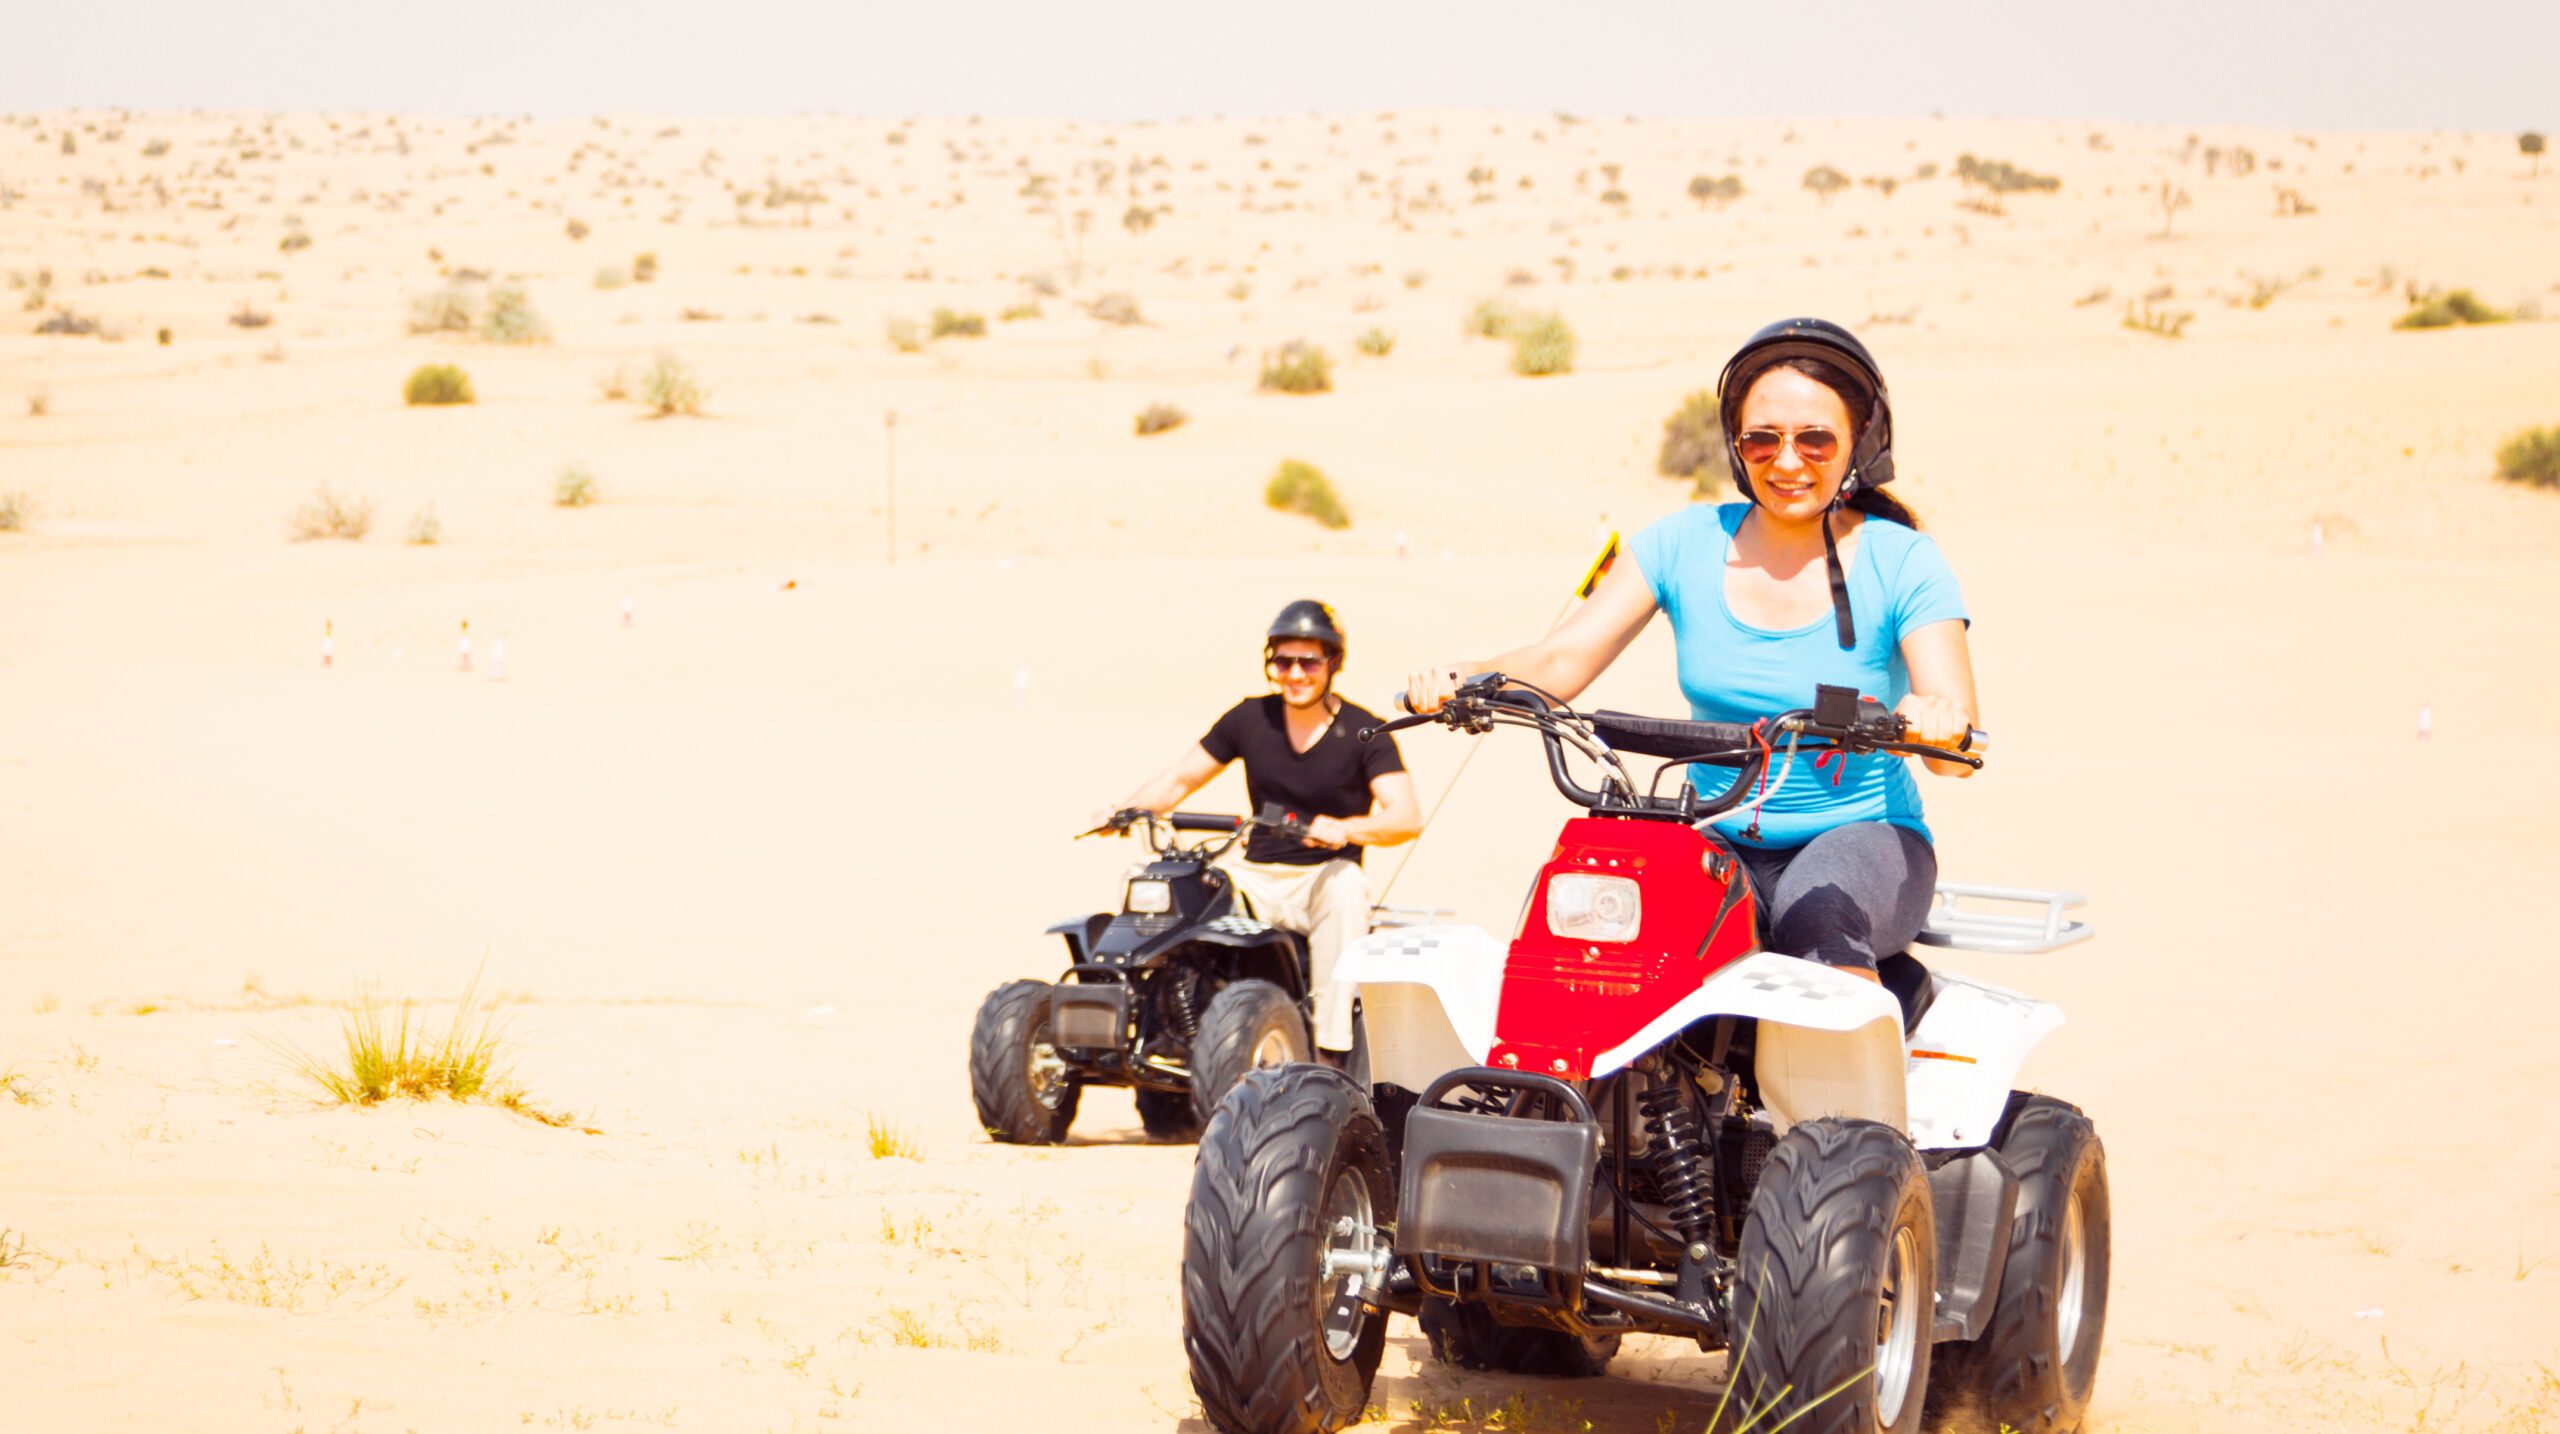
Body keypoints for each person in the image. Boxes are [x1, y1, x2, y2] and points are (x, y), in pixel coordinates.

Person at [1403, 319, 1977, 985]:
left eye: (1815, 440)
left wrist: (1936, 721)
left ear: (1862, 442)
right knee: (1596, 916)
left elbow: (1953, 748)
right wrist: (1465, 677)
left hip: (1864, 835)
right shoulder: (1682, 543)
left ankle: (1859, 1050)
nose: (1787, 462)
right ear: (1737, 446)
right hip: (1714, 827)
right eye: (1763, 439)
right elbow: (1561, 663)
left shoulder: (1903, 560)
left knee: (1815, 917)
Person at [1106, 600, 1422, 1054]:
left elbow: (1406, 816)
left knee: (1347, 887)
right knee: (1155, 879)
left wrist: (1347, 828)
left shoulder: (1364, 731)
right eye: (1283, 661)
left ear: (1333, 662)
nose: (1294, 674)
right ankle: (1155, 1027)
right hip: (1250, 878)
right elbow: (1180, 779)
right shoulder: (1250, 718)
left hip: (1317, 882)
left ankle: (1330, 1051)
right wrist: (1123, 810)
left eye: (1308, 662)